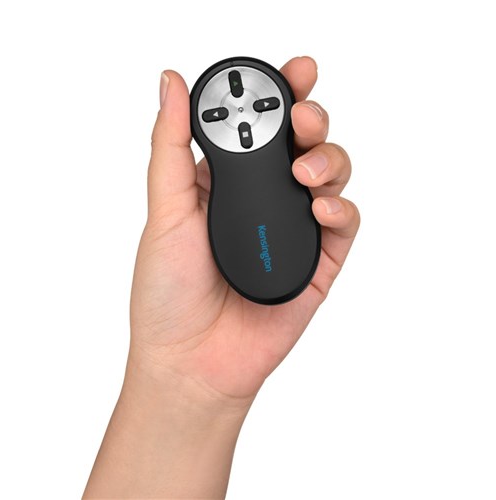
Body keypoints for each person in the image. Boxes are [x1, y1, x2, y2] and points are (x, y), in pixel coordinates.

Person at [83, 56, 360, 499]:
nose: (242, 111)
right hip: (226, 297)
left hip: (255, 277)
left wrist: (188, 393)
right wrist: (177, 380)